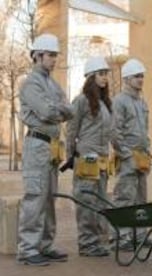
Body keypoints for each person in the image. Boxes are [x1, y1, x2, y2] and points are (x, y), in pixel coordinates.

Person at [17, 33, 74, 266]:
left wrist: (58, 108)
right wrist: (59, 109)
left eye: (55, 56)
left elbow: (69, 109)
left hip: (51, 147)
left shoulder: (52, 83)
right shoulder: (30, 82)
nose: (54, 60)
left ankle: (44, 245)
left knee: (49, 198)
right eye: (50, 55)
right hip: (37, 144)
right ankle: (28, 248)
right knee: (35, 197)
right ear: (37, 55)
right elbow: (47, 112)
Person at [65, 56, 112, 257]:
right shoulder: (81, 101)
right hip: (86, 158)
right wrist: (70, 156)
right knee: (86, 202)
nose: (105, 78)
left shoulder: (104, 103)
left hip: (101, 160)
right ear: (91, 77)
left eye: (106, 74)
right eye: (101, 74)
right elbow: (71, 130)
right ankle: (86, 243)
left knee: (100, 201)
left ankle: (98, 241)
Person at [110, 58, 152, 250]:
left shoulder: (141, 102)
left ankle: (140, 235)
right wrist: (126, 154)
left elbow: (144, 130)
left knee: (140, 198)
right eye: (137, 76)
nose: (141, 79)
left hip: (141, 157)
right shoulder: (119, 101)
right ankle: (122, 237)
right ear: (127, 79)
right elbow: (115, 131)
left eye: (142, 76)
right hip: (128, 157)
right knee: (124, 198)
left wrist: (147, 151)